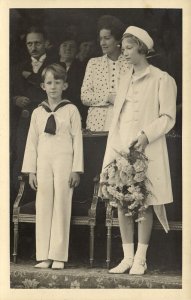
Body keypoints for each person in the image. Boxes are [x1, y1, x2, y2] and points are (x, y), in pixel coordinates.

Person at [101, 26, 177, 274]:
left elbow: (167, 117)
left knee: (144, 202)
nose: (124, 53)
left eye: (129, 48)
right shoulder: (124, 80)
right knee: (123, 202)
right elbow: (119, 120)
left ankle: (141, 259)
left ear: (142, 49)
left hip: (148, 151)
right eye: (123, 49)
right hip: (123, 151)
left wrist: (146, 135)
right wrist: (116, 151)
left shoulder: (161, 79)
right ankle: (127, 257)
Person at [21, 64, 83, 269]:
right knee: (44, 205)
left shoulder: (71, 110)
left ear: (65, 85)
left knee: (62, 205)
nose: (53, 86)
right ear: (42, 86)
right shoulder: (38, 113)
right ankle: (44, 255)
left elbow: (78, 141)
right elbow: (31, 143)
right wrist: (31, 170)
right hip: (43, 162)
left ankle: (58, 255)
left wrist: (76, 169)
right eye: (49, 82)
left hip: (65, 161)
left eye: (58, 82)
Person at [11, 26, 58, 191]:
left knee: (46, 157)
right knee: (22, 157)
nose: (33, 47)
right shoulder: (17, 68)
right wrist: (15, 99)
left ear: (46, 43)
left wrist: (31, 77)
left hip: (48, 120)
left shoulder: (56, 64)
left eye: (37, 43)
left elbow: (58, 90)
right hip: (24, 121)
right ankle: (18, 201)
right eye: (29, 43)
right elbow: (7, 92)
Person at [81, 15, 130, 131]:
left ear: (118, 39)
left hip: (124, 122)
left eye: (107, 38)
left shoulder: (130, 64)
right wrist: (108, 97)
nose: (102, 43)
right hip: (96, 125)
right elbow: (85, 96)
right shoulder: (93, 63)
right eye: (100, 39)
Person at [59, 36, 87, 128]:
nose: (68, 48)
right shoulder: (52, 67)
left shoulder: (82, 68)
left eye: (72, 46)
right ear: (59, 50)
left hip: (75, 111)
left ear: (77, 51)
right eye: (65, 45)